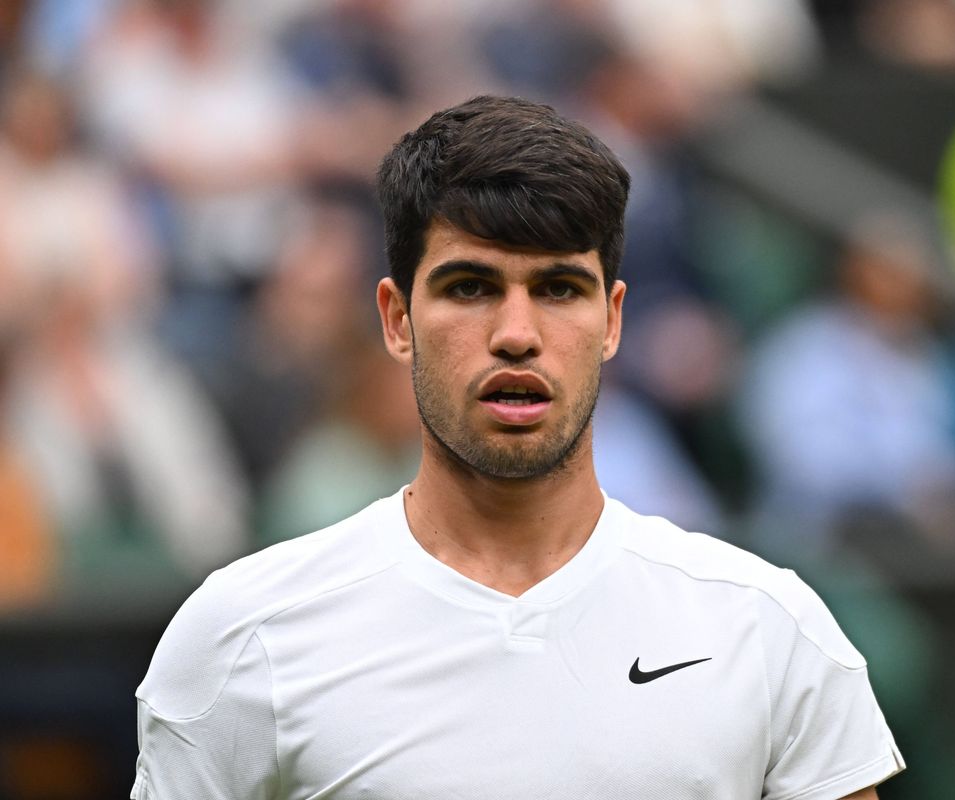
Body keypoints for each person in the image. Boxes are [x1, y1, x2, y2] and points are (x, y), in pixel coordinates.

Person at [131, 95, 905, 799]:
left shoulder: (767, 628)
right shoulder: (242, 636)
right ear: (396, 319)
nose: (516, 334)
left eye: (560, 289)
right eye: (470, 287)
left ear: (612, 320)